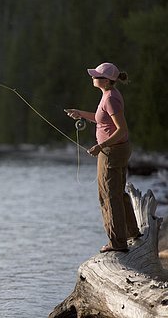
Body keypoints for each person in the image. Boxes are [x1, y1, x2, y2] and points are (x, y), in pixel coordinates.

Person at [65, 62, 140, 253]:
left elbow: (122, 129)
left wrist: (101, 146)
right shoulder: (108, 95)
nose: (93, 77)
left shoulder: (111, 99)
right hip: (115, 150)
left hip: (112, 152)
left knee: (108, 196)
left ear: (106, 80)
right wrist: (80, 113)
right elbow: (101, 119)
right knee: (117, 193)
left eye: (96, 75)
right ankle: (132, 232)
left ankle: (117, 243)